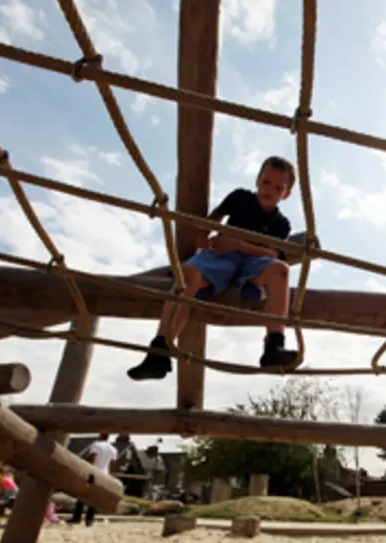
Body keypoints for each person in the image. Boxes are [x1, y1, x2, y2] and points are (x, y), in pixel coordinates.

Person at [127, 156, 301, 380]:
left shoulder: (281, 223)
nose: (270, 190)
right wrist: (203, 235)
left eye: (278, 187)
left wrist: (239, 244)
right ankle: (159, 351)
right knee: (186, 275)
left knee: (281, 270)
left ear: (286, 194)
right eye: (266, 182)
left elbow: (273, 253)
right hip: (221, 255)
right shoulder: (240, 197)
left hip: (252, 264)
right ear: (257, 180)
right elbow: (216, 216)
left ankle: (274, 346)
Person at [69, 433, 118, 527]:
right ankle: (90, 519)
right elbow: (112, 463)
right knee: (95, 497)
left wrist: (90, 468)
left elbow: (93, 457)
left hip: (94, 472)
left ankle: (77, 517)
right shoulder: (113, 449)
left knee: (82, 494)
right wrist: (110, 475)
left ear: (100, 436)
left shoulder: (96, 445)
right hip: (105, 473)